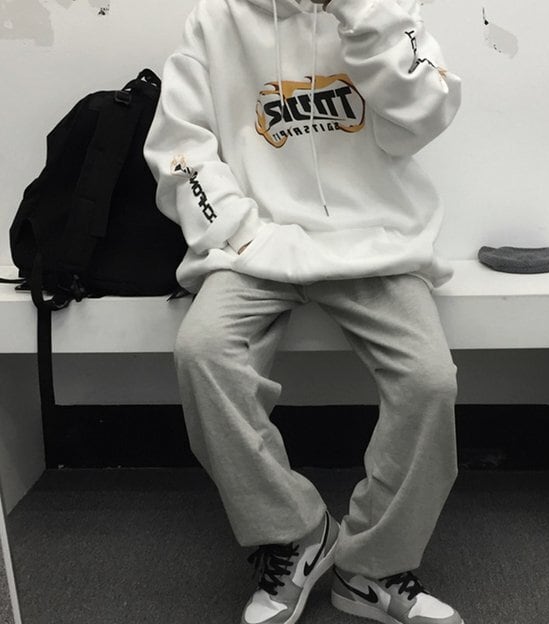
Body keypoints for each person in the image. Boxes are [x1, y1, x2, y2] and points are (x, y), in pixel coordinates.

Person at [143, 0, 463, 622]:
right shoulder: (217, 18)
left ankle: (372, 568)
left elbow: (424, 116)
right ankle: (296, 534)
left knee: (429, 380)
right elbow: (179, 149)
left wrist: (362, 13)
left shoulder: (387, 10)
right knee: (203, 354)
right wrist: (237, 232)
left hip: (377, 240)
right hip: (254, 243)